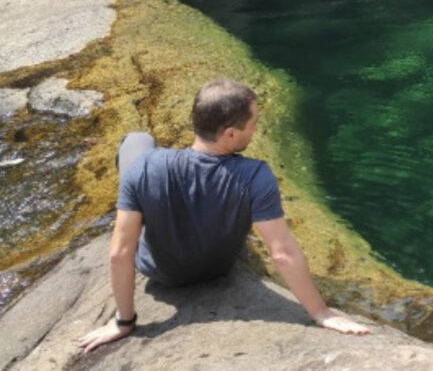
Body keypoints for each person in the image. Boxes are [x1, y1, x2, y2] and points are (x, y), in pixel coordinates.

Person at [75, 78, 370, 353]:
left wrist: (123, 322)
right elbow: (281, 253)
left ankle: (141, 199)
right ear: (230, 133)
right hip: (217, 268)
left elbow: (119, 253)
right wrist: (321, 312)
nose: (256, 130)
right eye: (253, 123)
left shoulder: (145, 167)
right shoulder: (256, 175)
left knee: (136, 140)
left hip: (160, 274)